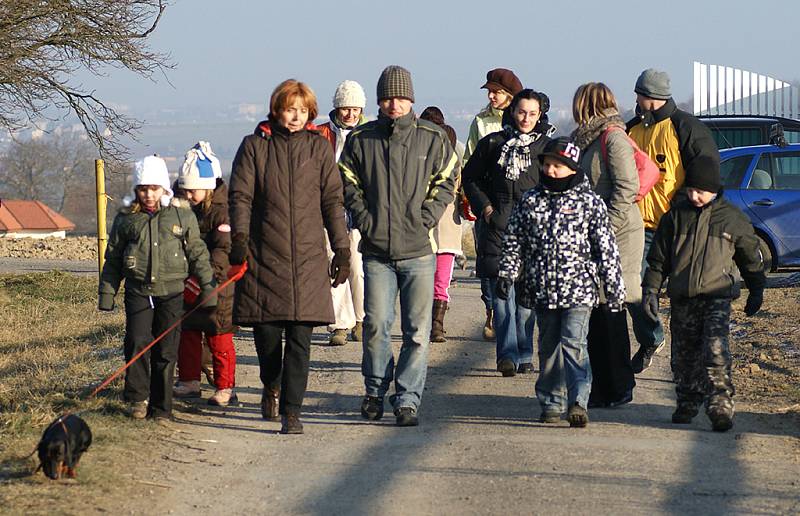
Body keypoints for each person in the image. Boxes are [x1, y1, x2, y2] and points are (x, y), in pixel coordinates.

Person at [228, 79, 349, 435]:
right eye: (289, 109)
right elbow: (240, 197)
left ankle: (292, 411)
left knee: (300, 339)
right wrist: (239, 237)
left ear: (310, 113)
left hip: (309, 258)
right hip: (264, 254)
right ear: (276, 109)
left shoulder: (319, 149)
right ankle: (272, 384)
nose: (295, 116)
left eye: (301, 110)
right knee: (266, 336)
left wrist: (341, 248)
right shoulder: (254, 147)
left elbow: (332, 201)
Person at [339, 65, 457, 427]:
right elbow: (346, 180)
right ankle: (374, 391)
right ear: (379, 101)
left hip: (419, 251)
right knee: (375, 324)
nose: (394, 104)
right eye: (388, 98)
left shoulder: (432, 138)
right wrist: (364, 218)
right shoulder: (362, 139)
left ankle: (407, 398)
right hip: (376, 251)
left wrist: (426, 217)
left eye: (401, 97)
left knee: (417, 332)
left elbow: (448, 178)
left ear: (411, 99)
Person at [497, 137, 625, 428]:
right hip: (542, 289)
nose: (552, 170)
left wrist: (615, 290)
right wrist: (507, 273)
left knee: (574, 344)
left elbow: (606, 248)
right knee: (549, 346)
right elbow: (514, 241)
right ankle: (551, 402)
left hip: (579, 290)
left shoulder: (589, 202)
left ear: (572, 168)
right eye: (548, 165)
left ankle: (578, 401)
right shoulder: (531, 200)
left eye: (559, 166)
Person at [641, 162, 765, 431]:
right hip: (683, 297)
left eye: (701, 192)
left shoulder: (732, 219)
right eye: (691, 190)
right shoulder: (675, 217)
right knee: (684, 354)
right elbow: (658, 260)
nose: (695, 196)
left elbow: (750, 258)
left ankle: (720, 404)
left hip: (716, 297)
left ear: (715, 191)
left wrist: (757, 289)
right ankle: (687, 399)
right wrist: (651, 289)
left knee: (715, 349)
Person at [98, 155, 216, 422]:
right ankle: (138, 399)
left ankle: (162, 407)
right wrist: (107, 292)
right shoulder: (127, 219)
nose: (148, 194)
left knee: (166, 349)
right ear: (136, 189)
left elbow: (197, 252)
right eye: (142, 188)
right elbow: (113, 258)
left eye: (154, 188)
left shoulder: (180, 215)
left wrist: (207, 285)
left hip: (171, 292)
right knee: (137, 343)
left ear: (164, 188)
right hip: (138, 291)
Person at [627, 68, 720, 373]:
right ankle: (652, 338)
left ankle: (695, 362)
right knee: (634, 291)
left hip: (679, 228)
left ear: (647, 96)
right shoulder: (631, 130)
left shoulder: (686, 126)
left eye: (639, 94)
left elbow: (706, 171)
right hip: (640, 227)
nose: (637, 100)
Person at [462, 89, 552, 376]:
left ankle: (525, 353)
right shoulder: (493, 144)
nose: (526, 118)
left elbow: (558, 184)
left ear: (539, 115)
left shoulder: (546, 148)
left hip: (533, 233)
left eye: (532, 113)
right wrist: (486, 207)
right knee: (502, 296)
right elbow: (470, 177)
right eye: (521, 112)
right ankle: (507, 355)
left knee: (526, 300)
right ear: (512, 111)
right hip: (498, 228)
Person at [572, 83, 642, 407]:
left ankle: (619, 386)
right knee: (597, 315)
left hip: (618, 235)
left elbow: (626, 187)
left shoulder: (612, 138)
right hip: (597, 235)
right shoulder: (587, 140)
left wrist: (605, 229)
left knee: (611, 310)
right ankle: (602, 385)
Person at [172, 142, 239, 407]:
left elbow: (223, 250)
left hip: (217, 285)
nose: (188, 195)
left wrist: (205, 279)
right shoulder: (180, 209)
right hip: (186, 283)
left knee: (218, 337)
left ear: (208, 187)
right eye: (184, 189)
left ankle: (226, 387)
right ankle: (189, 380)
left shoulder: (222, 213)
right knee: (187, 335)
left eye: (193, 190)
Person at [464, 68, 523, 342]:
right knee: (487, 262)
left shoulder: (526, 119)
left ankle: (517, 321)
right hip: (487, 202)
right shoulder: (480, 121)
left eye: (496, 92)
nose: (491, 96)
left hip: (517, 203)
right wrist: (472, 199)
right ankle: (491, 309)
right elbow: (469, 160)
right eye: (489, 91)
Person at [317, 80, 368, 346]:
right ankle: (339, 323)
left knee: (358, 266)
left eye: (355, 109)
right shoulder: (320, 134)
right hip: (328, 207)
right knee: (332, 263)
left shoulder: (369, 134)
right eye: (345, 108)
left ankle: (361, 319)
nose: (350, 114)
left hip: (358, 208)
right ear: (337, 108)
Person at [419, 106, 464, 343]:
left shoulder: (451, 154)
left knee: (437, 279)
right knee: (436, 279)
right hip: (439, 226)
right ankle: (432, 325)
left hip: (443, 226)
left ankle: (436, 325)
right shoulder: (454, 151)